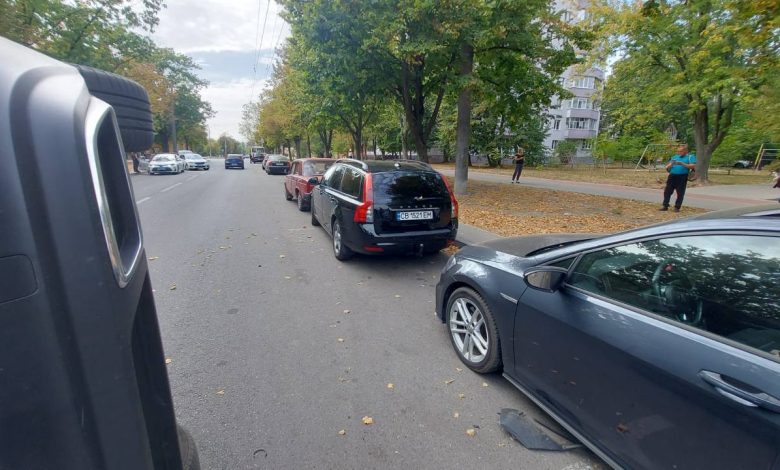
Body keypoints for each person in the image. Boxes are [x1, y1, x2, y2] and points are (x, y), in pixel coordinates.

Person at [660, 144, 696, 212]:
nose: (679, 153)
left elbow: (692, 166)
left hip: (682, 176)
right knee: (667, 191)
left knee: (680, 192)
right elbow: (667, 167)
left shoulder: (690, 157)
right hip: (672, 176)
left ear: (685, 151)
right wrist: (669, 165)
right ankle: (665, 205)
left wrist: (682, 163)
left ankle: (677, 207)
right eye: (678, 151)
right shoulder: (675, 157)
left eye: (680, 151)